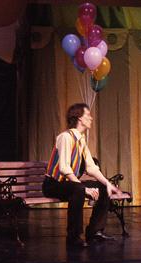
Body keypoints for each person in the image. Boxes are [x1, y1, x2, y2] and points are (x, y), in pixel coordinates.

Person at [42, 103, 121, 248]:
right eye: (88, 115)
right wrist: (83, 188)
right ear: (79, 118)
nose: (91, 118)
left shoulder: (81, 140)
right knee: (78, 190)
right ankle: (73, 237)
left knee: (102, 187)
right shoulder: (65, 137)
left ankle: (94, 231)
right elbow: (65, 167)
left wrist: (108, 183)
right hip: (53, 184)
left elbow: (91, 167)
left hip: (69, 184)